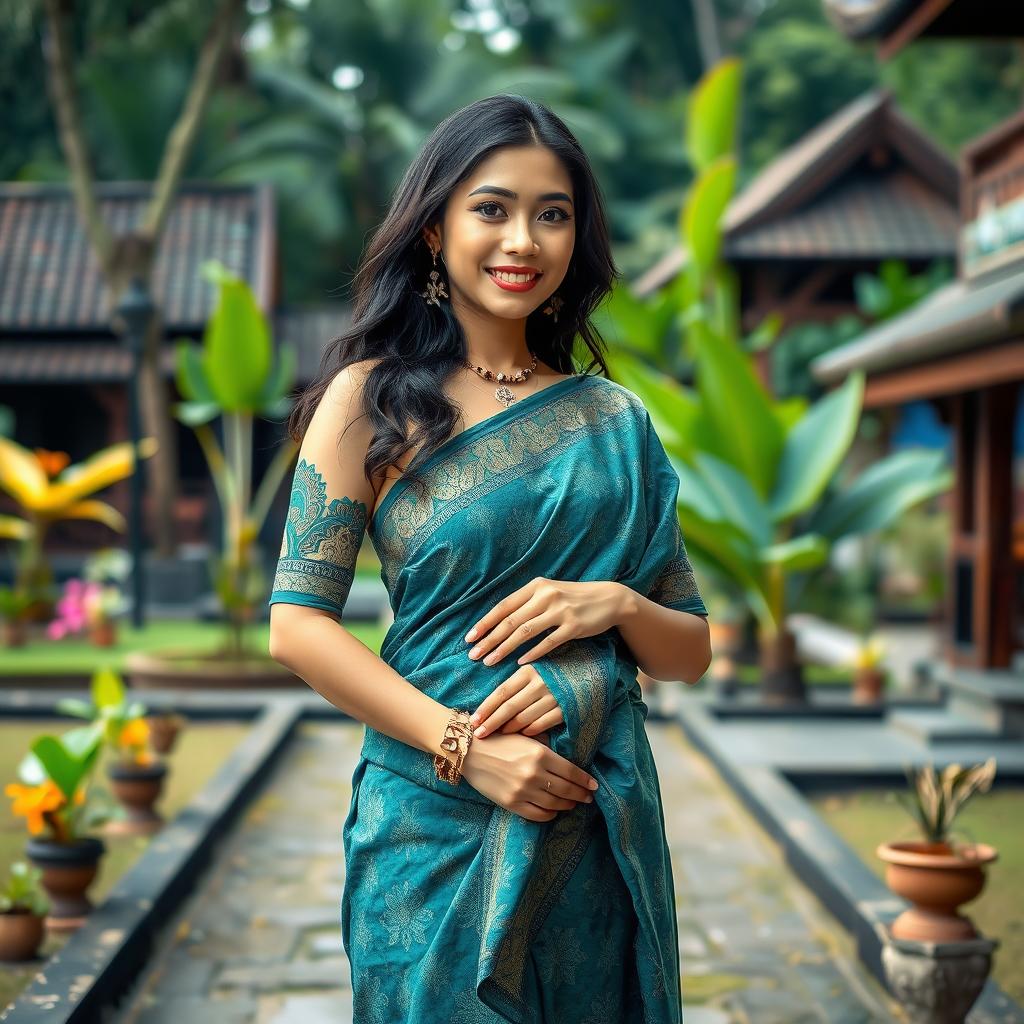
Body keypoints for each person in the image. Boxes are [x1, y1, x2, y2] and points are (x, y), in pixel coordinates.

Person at [267, 93, 711, 1024]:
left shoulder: (613, 421)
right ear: (434, 229)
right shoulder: (370, 401)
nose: (524, 240)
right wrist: (464, 749)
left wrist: (616, 609)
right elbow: (297, 627)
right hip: (429, 827)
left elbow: (689, 653)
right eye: (493, 208)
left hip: (591, 816)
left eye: (553, 214)